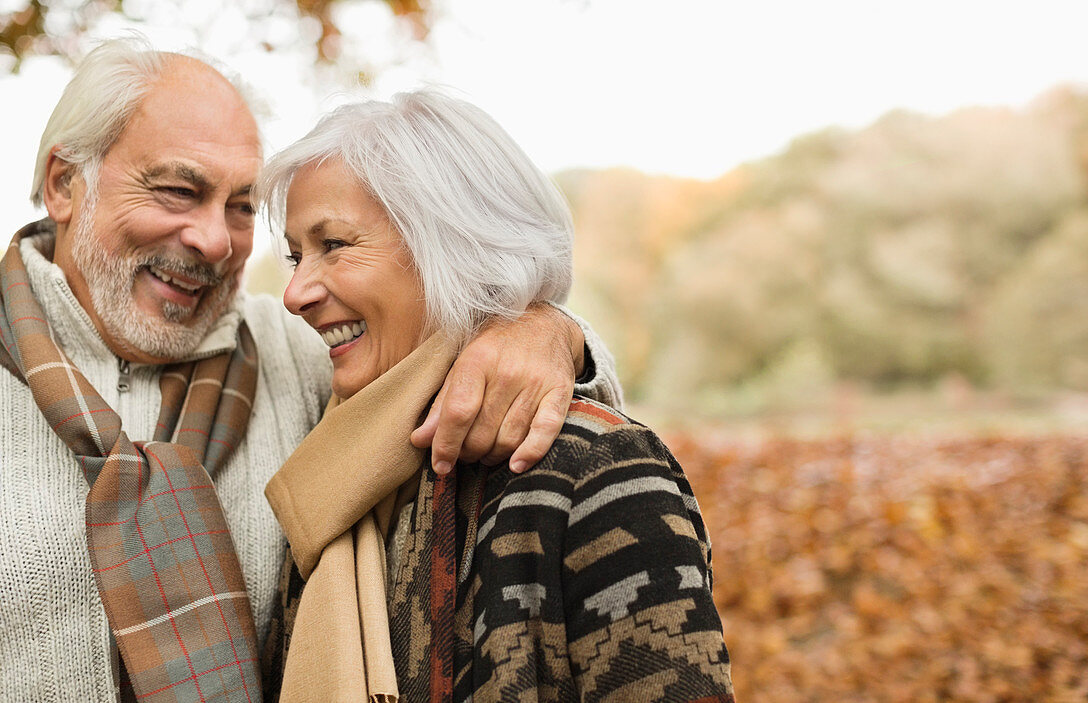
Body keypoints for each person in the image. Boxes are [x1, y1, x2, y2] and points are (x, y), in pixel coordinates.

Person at [0, 39, 621, 702]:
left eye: (241, 206)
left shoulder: (295, 355)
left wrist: (548, 330)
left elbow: (433, 338)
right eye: (179, 191)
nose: (215, 240)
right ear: (65, 184)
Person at [259, 91, 735, 703]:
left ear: (455, 244)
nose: (294, 293)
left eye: (336, 245)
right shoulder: (334, 479)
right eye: (297, 255)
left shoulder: (597, 472)